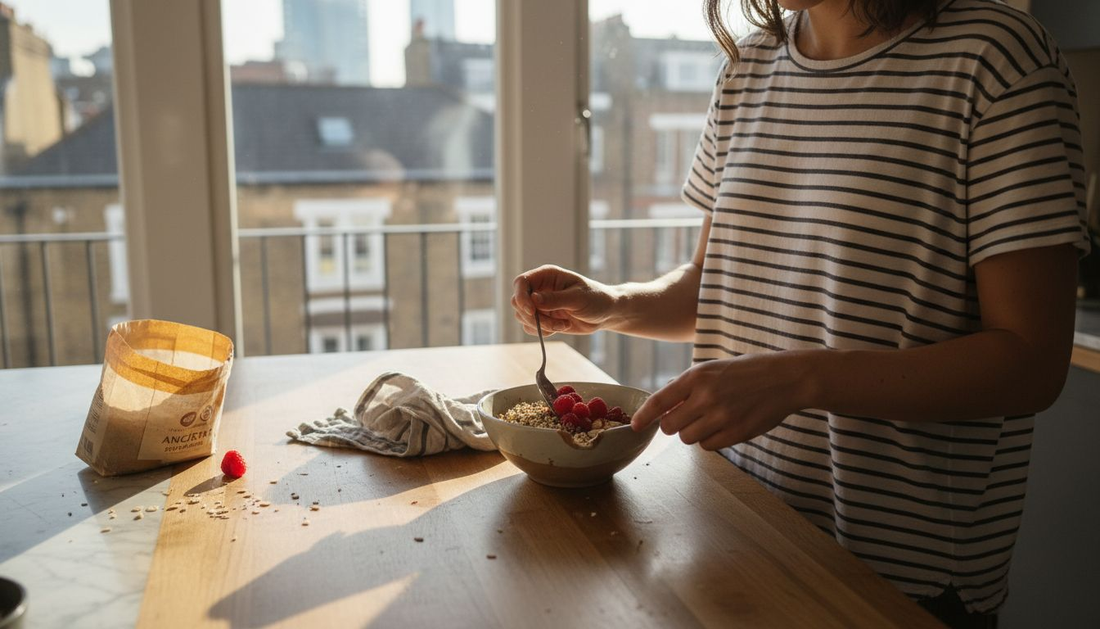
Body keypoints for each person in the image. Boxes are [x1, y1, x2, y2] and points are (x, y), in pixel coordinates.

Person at [510, 0, 1089, 627]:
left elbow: (1032, 362)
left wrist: (801, 379)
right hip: (735, 522)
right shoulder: (749, 66)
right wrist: (611, 303)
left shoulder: (996, 60)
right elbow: (715, 284)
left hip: (896, 573)